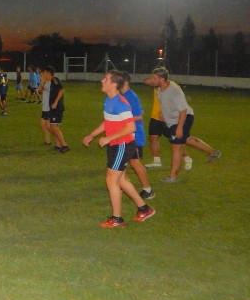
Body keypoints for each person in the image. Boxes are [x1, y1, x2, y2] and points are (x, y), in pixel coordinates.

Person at [83, 70, 156, 228]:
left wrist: (109, 138)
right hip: (116, 144)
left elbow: (130, 128)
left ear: (114, 84)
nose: (102, 80)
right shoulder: (108, 100)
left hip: (122, 144)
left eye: (106, 79)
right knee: (121, 180)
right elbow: (107, 122)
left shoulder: (121, 103)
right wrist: (92, 135)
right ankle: (144, 209)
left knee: (111, 180)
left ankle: (117, 219)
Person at [148, 67, 221, 183]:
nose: (152, 80)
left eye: (154, 78)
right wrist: (163, 113)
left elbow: (183, 110)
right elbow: (165, 104)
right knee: (187, 139)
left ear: (162, 79)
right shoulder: (160, 89)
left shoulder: (174, 91)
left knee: (176, 147)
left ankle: (173, 177)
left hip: (184, 118)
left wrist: (179, 128)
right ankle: (213, 152)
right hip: (173, 120)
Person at [121, 72, 155, 199]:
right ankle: (123, 186)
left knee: (135, 163)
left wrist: (120, 119)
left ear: (124, 82)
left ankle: (148, 190)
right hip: (127, 134)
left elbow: (139, 115)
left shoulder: (131, 96)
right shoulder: (124, 95)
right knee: (123, 162)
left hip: (134, 135)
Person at [41, 66, 69, 153]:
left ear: (48, 73)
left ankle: (64, 145)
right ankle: (60, 144)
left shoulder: (55, 80)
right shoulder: (50, 82)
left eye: (44, 73)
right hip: (52, 108)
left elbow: (62, 90)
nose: (43, 75)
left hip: (56, 108)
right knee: (49, 126)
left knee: (54, 128)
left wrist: (56, 102)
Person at [37, 71, 52, 145]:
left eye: (41, 75)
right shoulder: (45, 83)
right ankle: (47, 141)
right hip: (45, 107)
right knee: (44, 125)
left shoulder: (49, 84)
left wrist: (42, 81)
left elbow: (39, 90)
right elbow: (39, 91)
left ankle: (58, 139)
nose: (40, 77)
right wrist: (42, 82)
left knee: (47, 126)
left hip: (48, 108)